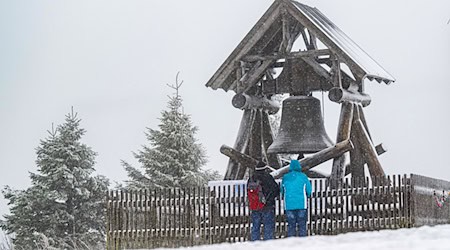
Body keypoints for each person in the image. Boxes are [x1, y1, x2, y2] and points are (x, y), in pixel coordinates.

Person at [247, 161, 280, 241]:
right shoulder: (268, 177)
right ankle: (268, 245)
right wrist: (270, 199)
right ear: (265, 169)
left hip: (255, 205)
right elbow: (275, 189)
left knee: (255, 226)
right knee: (268, 226)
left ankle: (255, 244)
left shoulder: (251, 178)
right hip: (267, 205)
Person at [281, 159, 312, 237]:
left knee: (291, 225)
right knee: (302, 225)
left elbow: (282, 190)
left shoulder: (286, 177)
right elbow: (309, 190)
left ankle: (291, 242)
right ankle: (302, 242)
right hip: (301, 204)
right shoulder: (303, 176)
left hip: (289, 205)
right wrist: (307, 195)